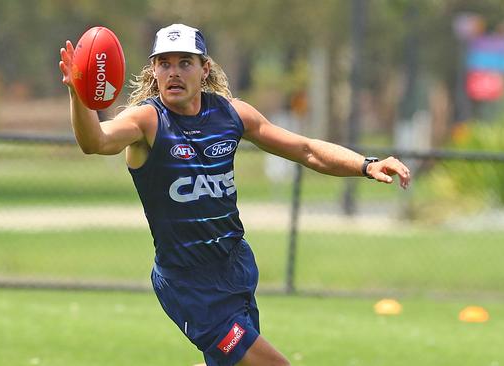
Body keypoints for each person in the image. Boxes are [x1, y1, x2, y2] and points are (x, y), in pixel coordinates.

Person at [59, 23, 410, 366]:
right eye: (164, 63)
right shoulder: (147, 122)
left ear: (204, 68)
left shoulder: (231, 114)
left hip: (236, 268)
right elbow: (95, 142)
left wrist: (365, 165)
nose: (174, 72)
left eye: (185, 62)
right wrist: (79, 92)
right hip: (189, 286)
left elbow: (305, 150)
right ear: (153, 71)